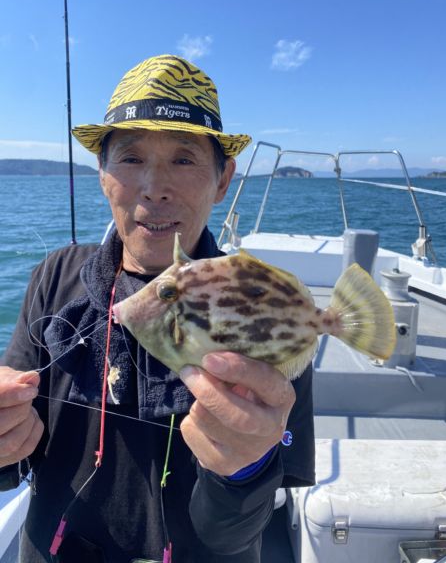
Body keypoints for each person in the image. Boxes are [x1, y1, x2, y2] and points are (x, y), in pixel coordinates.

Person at [0, 55, 314, 562]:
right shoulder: (55, 276)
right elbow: (13, 461)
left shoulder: (255, 303)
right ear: (102, 174)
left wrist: (245, 471)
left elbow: (233, 535)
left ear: (223, 180)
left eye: (184, 159)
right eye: (130, 158)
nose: (154, 187)